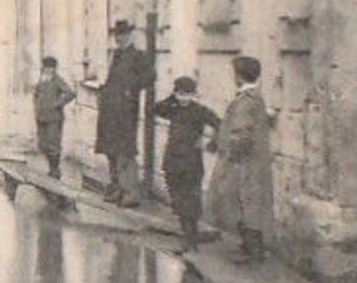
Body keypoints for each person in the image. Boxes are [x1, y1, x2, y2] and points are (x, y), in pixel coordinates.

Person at [208, 55, 274, 264]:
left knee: (246, 202)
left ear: (238, 76)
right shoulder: (253, 98)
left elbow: (241, 132)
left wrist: (231, 157)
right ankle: (249, 246)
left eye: (234, 73)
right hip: (251, 161)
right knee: (247, 202)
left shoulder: (246, 101)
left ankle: (253, 252)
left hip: (244, 162)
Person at [152, 76, 223, 255]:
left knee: (191, 199)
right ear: (176, 93)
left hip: (191, 162)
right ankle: (188, 234)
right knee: (177, 199)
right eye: (181, 93)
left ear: (194, 94)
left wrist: (211, 143)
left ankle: (190, 239)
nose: (184, 98)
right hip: (172, 160)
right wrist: (172, 98)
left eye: (188, 94)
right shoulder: (172, 109)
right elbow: (155, 109)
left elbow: (219, 124)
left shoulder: (199, 110)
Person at [94, 19, 155, 207]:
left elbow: (151, 76)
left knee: (125, 152)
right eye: (117, 35)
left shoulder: (138, 56)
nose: (120, 38)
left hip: (126, 112)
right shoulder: (116, 55)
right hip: (110, 111)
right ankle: (117, 189)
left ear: (130, 35)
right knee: (111, 150)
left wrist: (131, 88)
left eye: (123, 35)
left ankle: (131, 193)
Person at [32, 57, 77, 179]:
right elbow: (36, 94)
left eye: (50, 68)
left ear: (54, 69)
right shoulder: (41, 80)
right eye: (46, 67)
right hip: (41, 117)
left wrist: (57, 103)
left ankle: (55, 170)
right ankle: (51, 168)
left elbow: (70, 93)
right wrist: (37, 106)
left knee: (53, 144)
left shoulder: (57, 80)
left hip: (54, 118)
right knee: (43, 144)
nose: (48, 70)